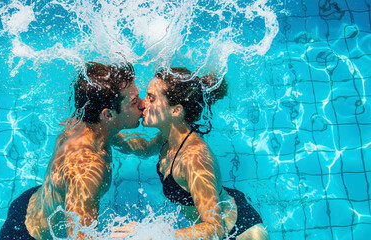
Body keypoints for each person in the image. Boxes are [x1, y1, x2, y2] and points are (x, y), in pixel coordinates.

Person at [113, 67, 269, 239]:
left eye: (151, 98)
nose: (143, 103)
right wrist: (105, 132)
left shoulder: (194, 159)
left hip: (238, 232)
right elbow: (143, 148)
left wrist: (152, 235)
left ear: (175, 110)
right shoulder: (170, 137)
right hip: (221, 212)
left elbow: (214, 228)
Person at [0, 62, 144, 240]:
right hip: (27, 235)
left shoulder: (88, 125)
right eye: (135, 102)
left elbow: (141, 147)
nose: (144, 105)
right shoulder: (87, 168)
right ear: (109, 115)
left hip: (31, 201)